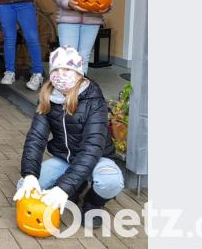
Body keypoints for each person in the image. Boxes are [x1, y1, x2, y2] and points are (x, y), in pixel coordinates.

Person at [14, 46, 124, 229]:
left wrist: (62, 188)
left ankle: (92, 203)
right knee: (23, 188)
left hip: (97, 159)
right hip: (64, 159)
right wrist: (30, 174)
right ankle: (76, 185)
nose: (61, 74)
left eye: (67, 69)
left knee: (110, 181)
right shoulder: (47, 97)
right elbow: (36, 138)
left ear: (80, 74)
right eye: (56, 69)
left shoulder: (94, 101)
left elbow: (91, 150)